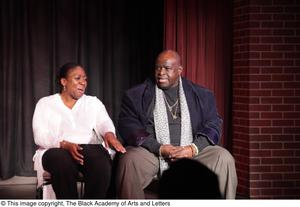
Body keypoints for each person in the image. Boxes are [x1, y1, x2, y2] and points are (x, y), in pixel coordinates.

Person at [115, 50, 237, 199]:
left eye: (167, 68)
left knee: (223, 157)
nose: (161, 72)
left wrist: (192, 149)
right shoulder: (136, 95)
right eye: (158, 67)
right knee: (129, 160)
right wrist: (158, 148)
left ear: (179, 70)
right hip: (153, 152)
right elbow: (128, 124)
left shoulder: (202, 94)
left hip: (190, 148)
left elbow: (213, 123)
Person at [32, 63, 126, 199]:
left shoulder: (92, 102)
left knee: (101, 160)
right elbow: (39, 136)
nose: (83, 82)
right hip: (55, 150)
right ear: (64, 81)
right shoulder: (45, 103)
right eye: (78, 78)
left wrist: (109, 134)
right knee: (61, 161)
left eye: (85, 79)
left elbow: (104, 122)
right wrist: (63, 144)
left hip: (85, 149)